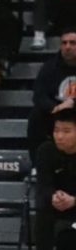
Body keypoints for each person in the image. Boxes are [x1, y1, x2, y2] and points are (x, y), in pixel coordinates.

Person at [28, 108, 76, 250]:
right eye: (57, 131)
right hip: (59, 205)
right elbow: (43, 185)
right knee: (43, 209)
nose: (60, 136)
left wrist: (74, 201)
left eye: (66, 131)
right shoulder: (46, 151)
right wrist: (53, 196)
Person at [27, 29, 76, 160]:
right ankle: (36, 165)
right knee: (36, 116)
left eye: (73, 43)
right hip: (57, 111)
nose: (68, 47)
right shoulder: (50, 67)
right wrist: (55, 108)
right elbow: (38, 96)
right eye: (64, 43)